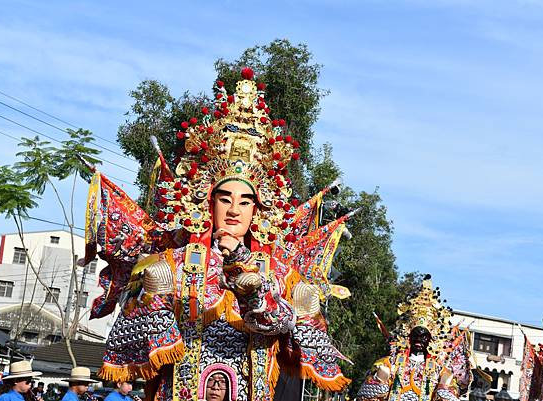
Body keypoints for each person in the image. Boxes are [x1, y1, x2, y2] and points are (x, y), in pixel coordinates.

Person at [83, 67, 353, 401]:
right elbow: (135, 344)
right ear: (208, 204)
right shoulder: (174, 263)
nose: (234, 210)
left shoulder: (279, 272)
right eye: (224, 199)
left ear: (258, 209)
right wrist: (156, 296)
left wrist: (249, 279)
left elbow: (290, 328)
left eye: (245, 201)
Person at [356, 275, 471, 401]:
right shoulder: (389, 364)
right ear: (408, 336)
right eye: (415, 335)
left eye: (424, 336)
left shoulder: (440, 371)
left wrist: (444, 388)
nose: (419, 340)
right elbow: (366, 396)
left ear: (431, 339)